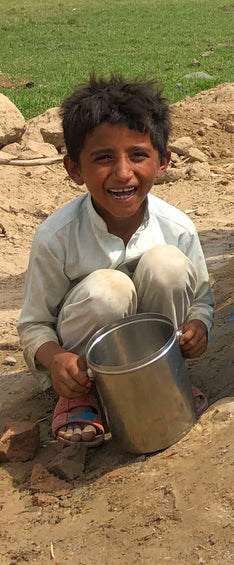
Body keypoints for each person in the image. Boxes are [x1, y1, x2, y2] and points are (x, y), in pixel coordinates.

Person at [17, 76, 214, 447]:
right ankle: (81, 396)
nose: (123, 173)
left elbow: (201, 297)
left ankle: (164, 378)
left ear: (163, 162)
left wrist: (198, 325)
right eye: (103, 158)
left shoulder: (177, 228)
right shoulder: (55, 236)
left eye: (138, 155)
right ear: (74, 169)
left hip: (152, 352)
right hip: (85, 365)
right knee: (111, 289)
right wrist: (56, 358)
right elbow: (33, 325)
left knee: (167, 266)